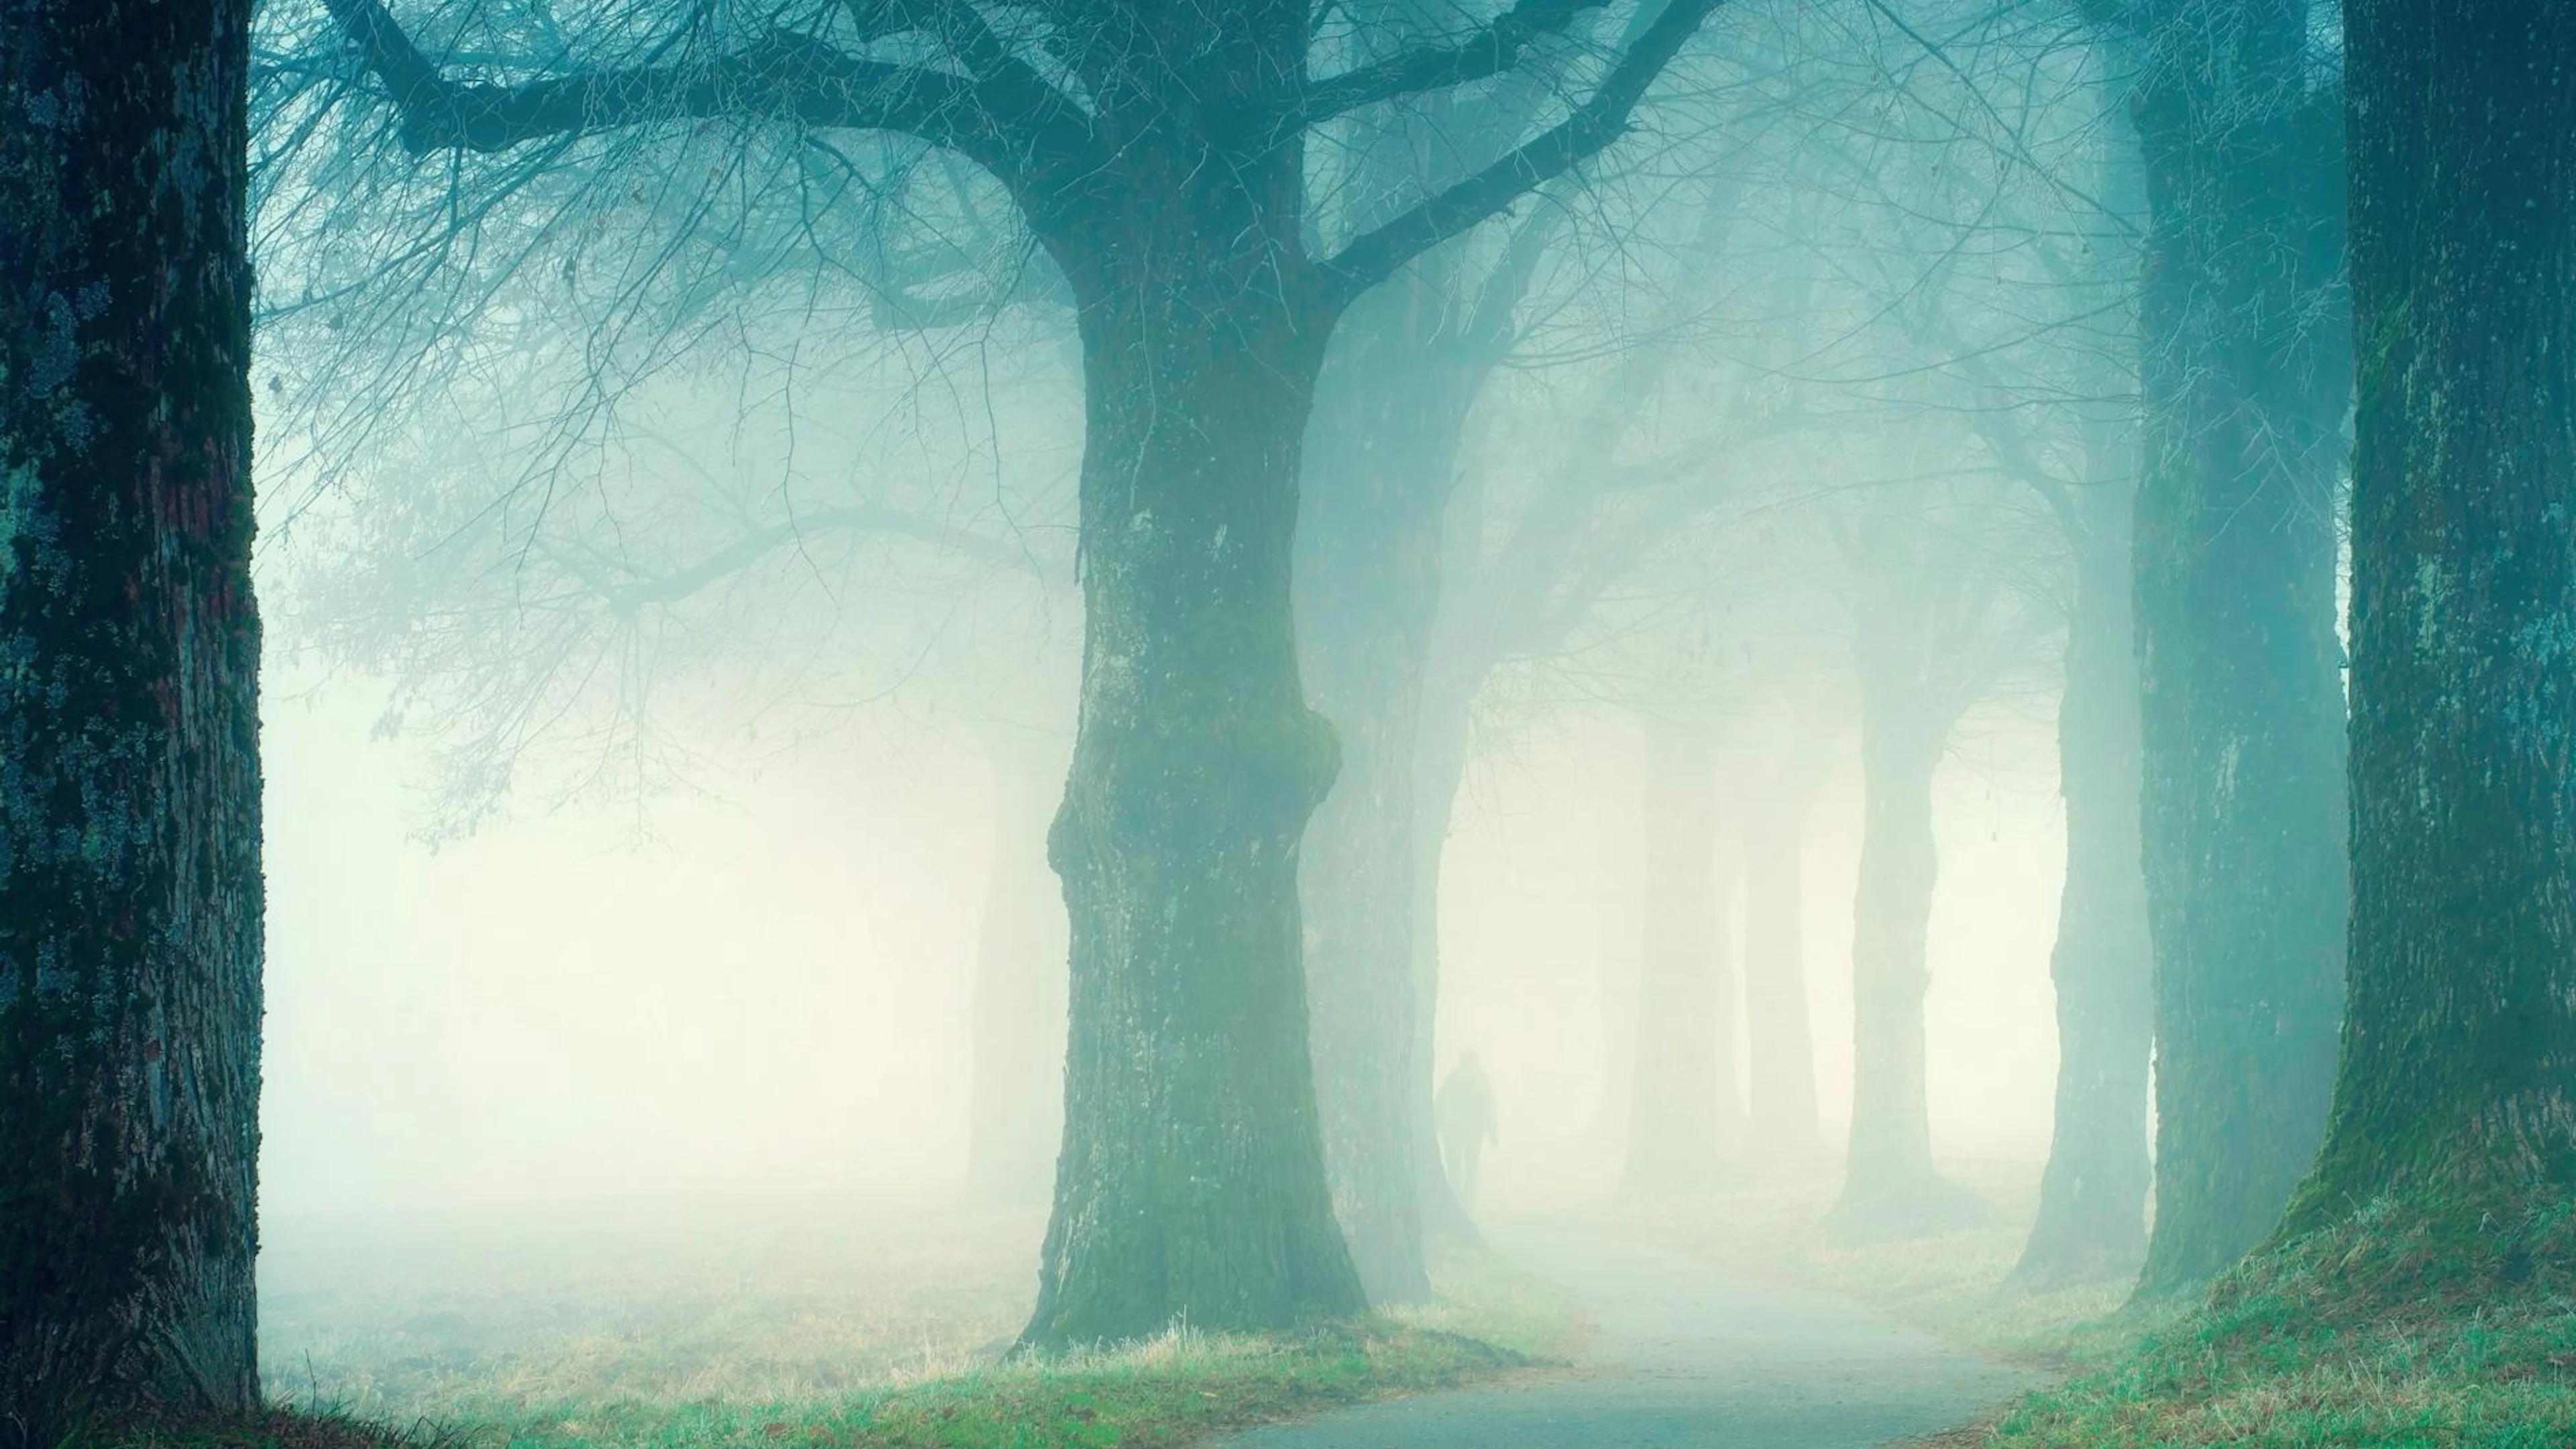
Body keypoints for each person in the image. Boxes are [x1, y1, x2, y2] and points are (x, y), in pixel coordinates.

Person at [1436, 1051, 1500, 1213]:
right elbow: (1490, 1107)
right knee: (1470, 1167)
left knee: (1455, 1167)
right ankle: (1467, 1203)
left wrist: (1436, 1126)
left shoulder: (1454, 1078)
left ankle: (1457, 1201)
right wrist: (1493, 1133)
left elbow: (1440, 1103)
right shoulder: (1481, 1080)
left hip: (1455, 1131)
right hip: (1471, 1132)